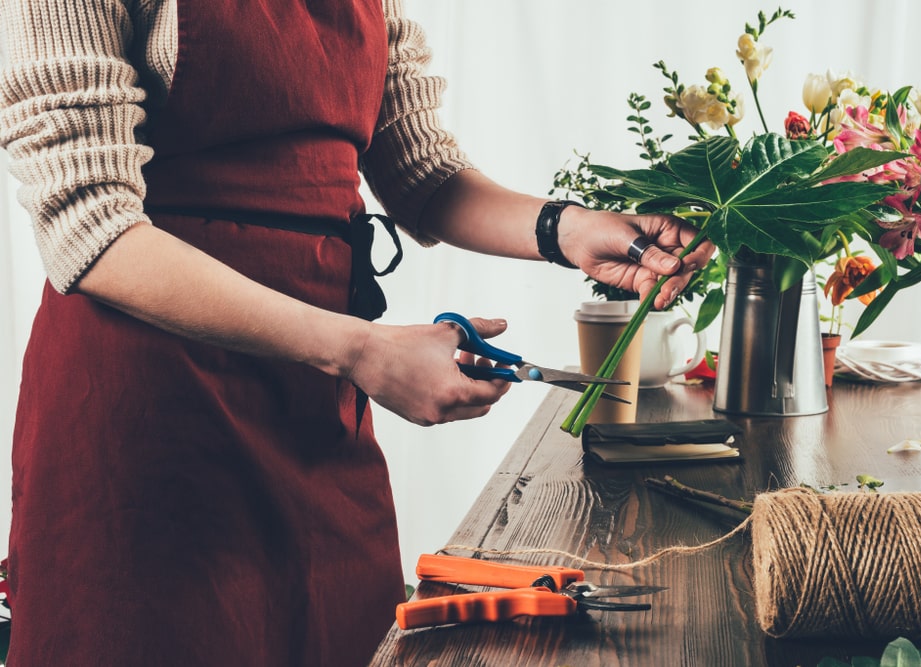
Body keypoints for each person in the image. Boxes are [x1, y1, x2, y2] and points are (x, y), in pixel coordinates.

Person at [0, 0, 714, 665]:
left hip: (313, 410)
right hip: (146, 427)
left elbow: (420, 170)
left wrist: (570, 229)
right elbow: (90, 224)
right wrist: (359, 348)